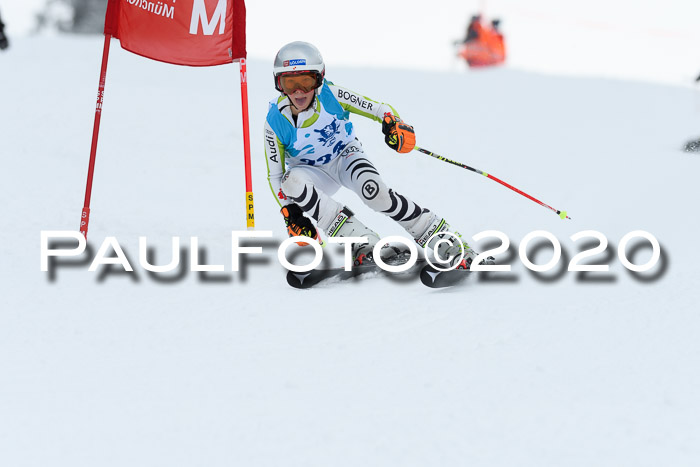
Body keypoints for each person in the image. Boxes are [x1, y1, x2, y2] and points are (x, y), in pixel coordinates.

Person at [263, 41, 483, 269]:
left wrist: (393, 124)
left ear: (320, 79)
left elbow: (379, 109)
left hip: (344, 156)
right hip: (312, 173)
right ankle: (363, 243)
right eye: (289, 84)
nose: (298, 92)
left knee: (375, 193)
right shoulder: (275, 121)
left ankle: (447, 242)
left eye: (306, 82)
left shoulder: (332, 95)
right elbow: (275, 176)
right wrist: (291, 214)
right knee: (291, 182)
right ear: (278, 84)